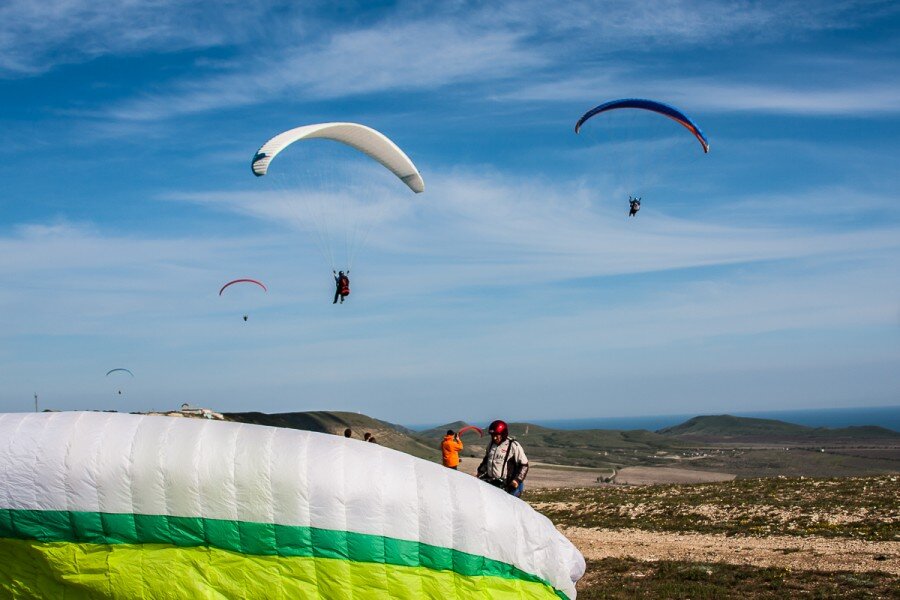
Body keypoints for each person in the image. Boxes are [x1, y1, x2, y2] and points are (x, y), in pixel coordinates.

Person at [477, 420, 529, 497]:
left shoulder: (513, 445)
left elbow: (524, 465)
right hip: (493, 483)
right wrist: (480, 472)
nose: (494, 438)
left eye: (497, 435)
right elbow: (486, 460)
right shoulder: (491, 444)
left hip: (509, 486)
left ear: (503, 434)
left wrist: (517, 480)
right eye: (492, 435)